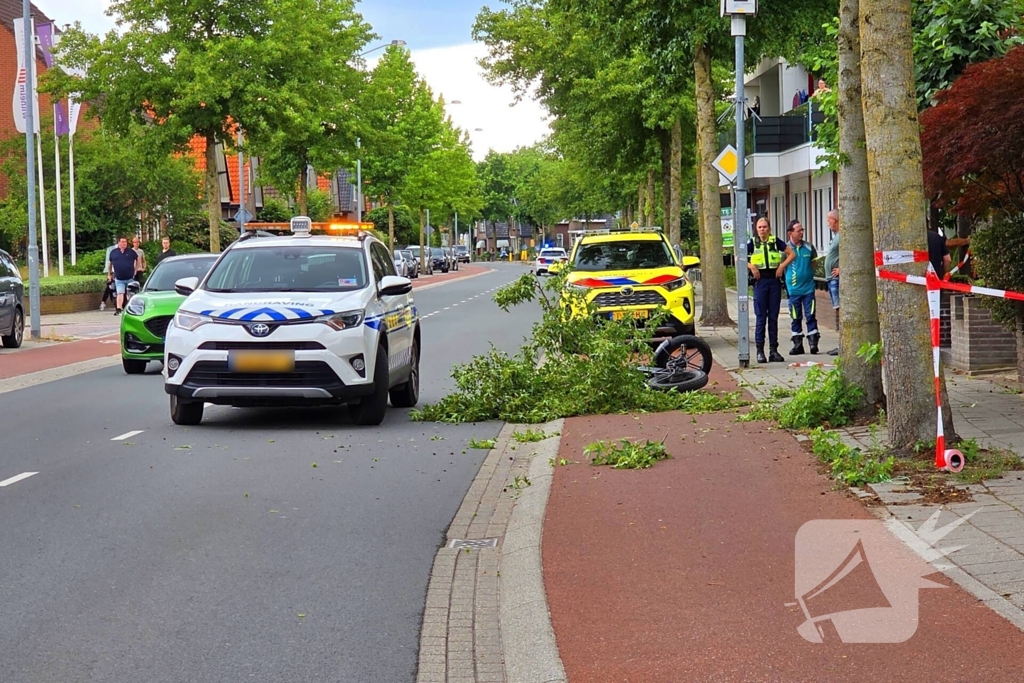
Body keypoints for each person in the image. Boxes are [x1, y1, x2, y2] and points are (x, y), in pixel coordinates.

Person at [747, 217, 796, 364]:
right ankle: (760, 351)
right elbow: (739, 258)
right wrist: (752, 267)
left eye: (764, 227)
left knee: (773, 318)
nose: (762, 229)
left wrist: (782, 266)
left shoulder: (776, 242)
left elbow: (792, 254)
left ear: (769, 228)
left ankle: (773, 350)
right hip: (760, 282)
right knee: (761, 318)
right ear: (757, 229)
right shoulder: (752, 243)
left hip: (774, 281)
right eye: (760, 227)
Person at [785, 220, 820, 355]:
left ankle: (813, 343)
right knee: (795, 316)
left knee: (810, 315)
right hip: (793, 290)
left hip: (808, 289)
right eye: (798, 230)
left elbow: (814, 263)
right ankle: (798, 344)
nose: (801, 233)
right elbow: (781, 266)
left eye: (802, 230)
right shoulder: (785, 249)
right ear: (790, 233)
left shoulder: (809, 247)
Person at [107, 237, 139, 315]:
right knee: (120, 293)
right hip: (119, 278)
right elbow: (110, 264)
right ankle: (119, 309)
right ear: (119, 243)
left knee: (130, 294)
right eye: (122, 242)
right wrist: (109, 274)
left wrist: (136, 270)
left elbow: (137, 259)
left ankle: (131, 309)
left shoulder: (131, 252)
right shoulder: (113, 253)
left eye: (125, 242)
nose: (124, 243)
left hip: (129, 277)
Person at [824, 210, 841, 356]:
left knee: (840, 311)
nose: (828, 223)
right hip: (831, 280)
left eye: (829, 220)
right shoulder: (836, 237)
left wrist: (842, 268)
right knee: (837, 310)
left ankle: (842, 343)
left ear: (835, 220)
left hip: (836, 280)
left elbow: (850, 254)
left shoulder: (842, 236)